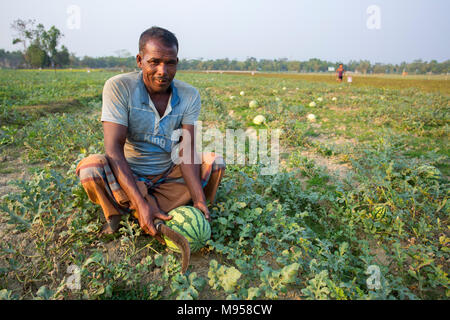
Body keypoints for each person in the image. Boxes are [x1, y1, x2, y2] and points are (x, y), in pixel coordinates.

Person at [76, 27, 225, 242]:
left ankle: (174, 210)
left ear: (177, 62)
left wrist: (199, 198)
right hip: (129, 174)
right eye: (154, 62)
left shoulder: (189, 95)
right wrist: (140, 199)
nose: (163, 71)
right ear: (139, 60)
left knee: (214, 163)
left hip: (168, 174)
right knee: (91, 169)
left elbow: (186, 149)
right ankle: (127, 211)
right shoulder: (119, 87)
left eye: (170, 62)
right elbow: (113, 149)